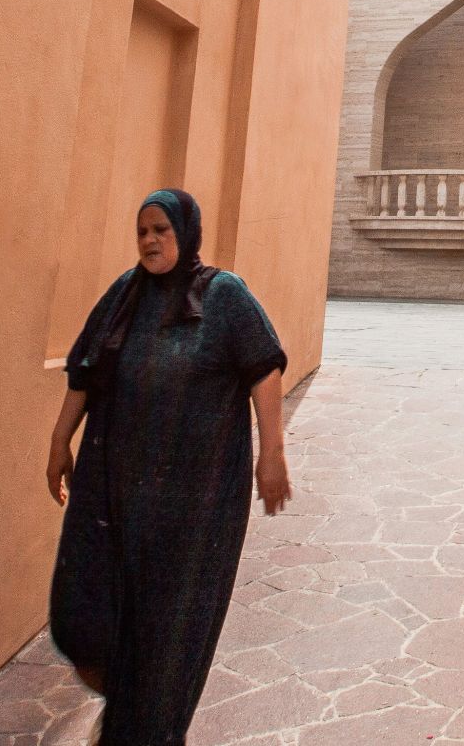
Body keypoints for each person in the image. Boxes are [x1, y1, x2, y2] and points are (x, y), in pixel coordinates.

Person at [45, 188, 292, 745]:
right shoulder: (125, 296)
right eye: (142, 232)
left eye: (161, 230)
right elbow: (84, 370)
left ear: (186, 233)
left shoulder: (222, 295)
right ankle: (130, 704)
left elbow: (263, 369)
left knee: (167, 631)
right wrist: (60, 441)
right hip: (115, 492)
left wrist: (272, 453)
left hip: (193, 506)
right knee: (82, 617)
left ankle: (146, 728)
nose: (151, 240)